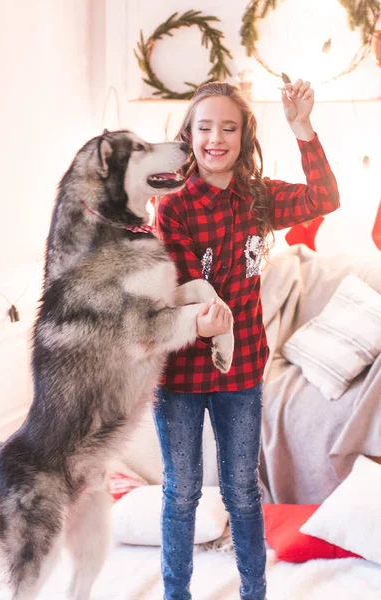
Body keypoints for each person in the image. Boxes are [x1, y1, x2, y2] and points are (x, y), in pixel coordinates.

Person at [153, 78, 340, 600]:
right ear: (188, 134)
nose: (216, 138)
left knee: (241, 491)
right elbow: (190, 294)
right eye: (204, 127)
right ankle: (176, 594)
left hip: (241, 372)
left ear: (243, 135)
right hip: (179, 376)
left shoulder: (257, 199)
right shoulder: (173, 207)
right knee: (182, 491)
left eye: (228, 127)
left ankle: (253, 592)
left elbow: (325, 196)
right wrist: (204, 322)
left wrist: (302, 127)